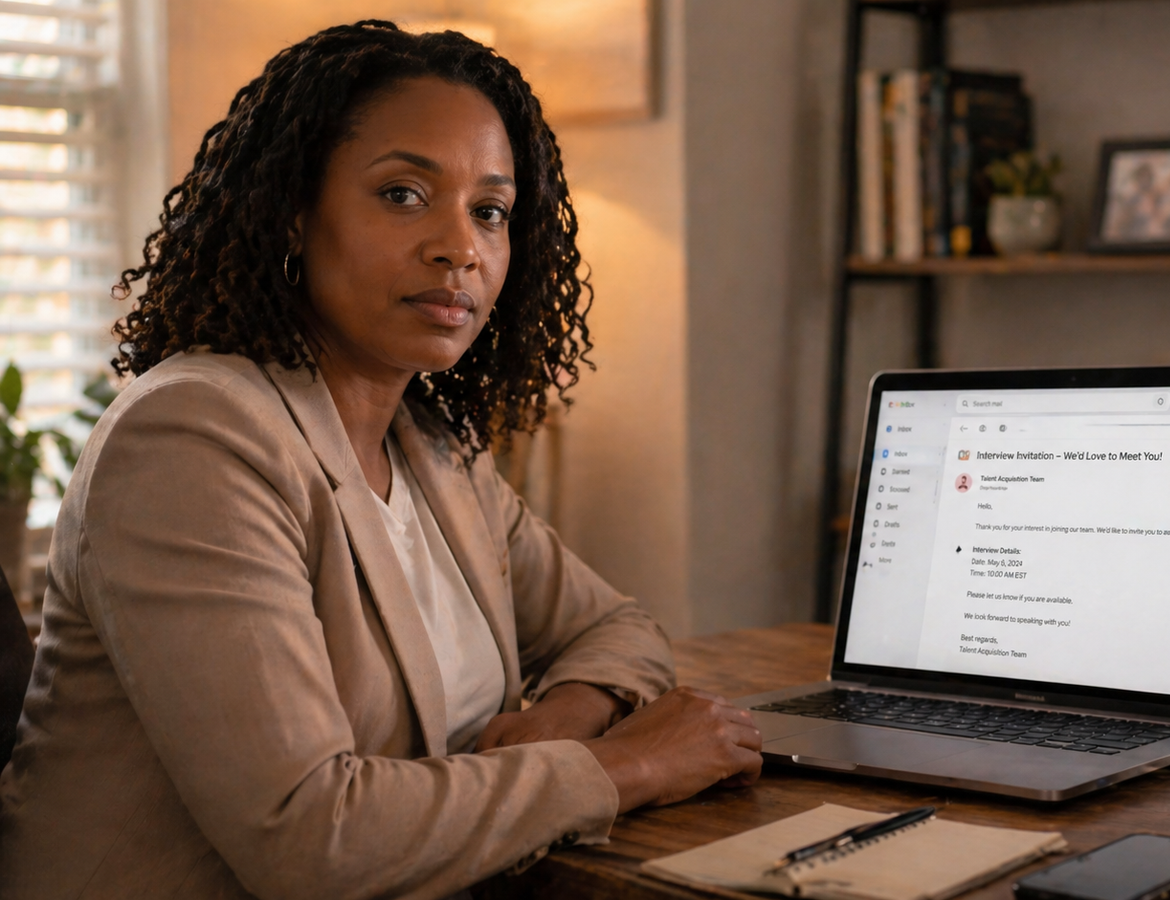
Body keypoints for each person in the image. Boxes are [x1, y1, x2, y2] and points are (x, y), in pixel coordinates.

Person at [0, 21, 761, 900]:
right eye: (403, 194)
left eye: (490, 211)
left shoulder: (431, 445)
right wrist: (623, 766)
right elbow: (311, 837)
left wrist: (568, 714)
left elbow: (616, 628)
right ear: (292, 212)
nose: (459, 247)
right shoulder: (193, 440)